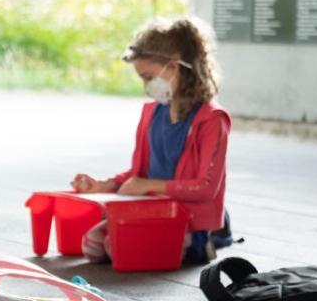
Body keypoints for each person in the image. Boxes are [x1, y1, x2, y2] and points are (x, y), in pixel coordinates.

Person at [71, 17, 232, 264]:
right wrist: (107, 185)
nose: (145, 85)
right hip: (149, 210)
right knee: (93, 244)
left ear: (174, 67)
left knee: (116, 247)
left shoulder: (212, 119)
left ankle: (200, 245)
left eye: (148, 77)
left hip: (186, 221)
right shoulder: (152, 112)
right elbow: (140, 175)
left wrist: (150, 186)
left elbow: (206, 186)